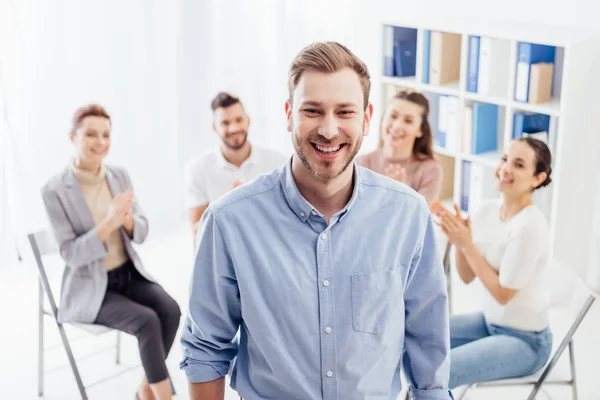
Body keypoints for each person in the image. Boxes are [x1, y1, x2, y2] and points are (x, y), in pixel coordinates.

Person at [180, 42, 452, 400]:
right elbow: (205, 349)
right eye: (312, 110)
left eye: (344, 112)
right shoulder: (229, 221)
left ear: (367, 118)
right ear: (289, 113)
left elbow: (427, 344)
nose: (328, 129)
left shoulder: (408, 215)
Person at [41, 104, 181, 400]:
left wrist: (127, 220)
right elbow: (70, 254)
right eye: (91, 134)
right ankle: (164, 395)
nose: (100, 142)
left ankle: (146, 389)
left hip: (127, 274)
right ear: (72, 138)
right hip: (91, 287)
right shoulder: (54, 190)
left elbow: (142, 231)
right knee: (148, 322)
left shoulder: (118, 175)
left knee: (170, 310)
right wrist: (107, 224)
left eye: (106, 134)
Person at [432, 138, 553, 389]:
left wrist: (466, 244)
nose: (506, 168)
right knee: (411, 334)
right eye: (505, 159)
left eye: (519, 164)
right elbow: (466, 276)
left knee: (439, 373)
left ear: (537, 179)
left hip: (526, 341)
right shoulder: (486, 210)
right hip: (489, 323)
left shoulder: (530, 227)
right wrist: (458, 238)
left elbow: (503, 294)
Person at [183, 92, 287, 235]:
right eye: (225, 123)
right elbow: (196, 228)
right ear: (214, 127)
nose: (233, 128)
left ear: (248, 121)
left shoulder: (278, 163)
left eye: (238, 120)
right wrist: (228, 205)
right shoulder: (198, 169)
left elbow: (288, 218)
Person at [357, 90, 442, 204]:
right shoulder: (361, 164)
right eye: (393, 116)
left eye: (408, 121)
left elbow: (420, 218)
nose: (397, 126)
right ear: (383, 120)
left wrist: (403, 194)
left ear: (420, 130)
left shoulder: (430, 170)